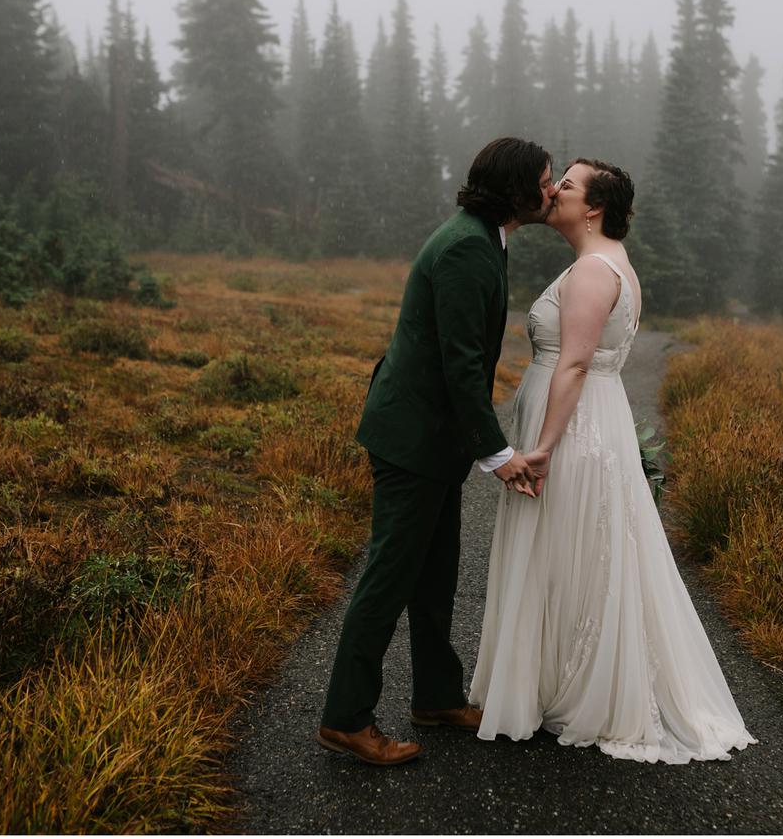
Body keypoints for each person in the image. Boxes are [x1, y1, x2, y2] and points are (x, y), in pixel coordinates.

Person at [469, 158, 758, 763]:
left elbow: (573, 364)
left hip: (573, 428)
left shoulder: (596, 270)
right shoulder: (602, 264)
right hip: (589, 418)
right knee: (575, 548)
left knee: (567, 547)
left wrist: (543, 447)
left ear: (594, 208)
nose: (553, 194)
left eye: (566, 187)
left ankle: (576, 686)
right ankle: (555, 677)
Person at [317, 137, 556, 766]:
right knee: (390, 577)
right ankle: (344, 718)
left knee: (435, 573)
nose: (553, 189)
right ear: (516, 190)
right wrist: (498, 454)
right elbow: (461, 365)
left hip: (431, 438)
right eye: (545, 179)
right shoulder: (468, 249)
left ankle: (436, 696)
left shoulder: (482, 238)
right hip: (412, 438)